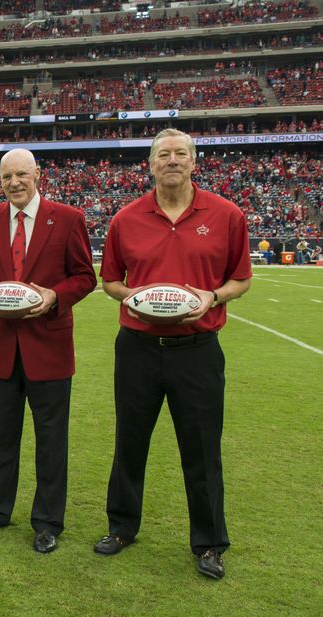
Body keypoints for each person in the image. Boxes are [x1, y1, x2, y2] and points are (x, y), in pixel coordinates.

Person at [96, 129, 252, 580]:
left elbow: (241, 279)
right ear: (150, 164)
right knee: (130, 441)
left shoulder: (226, 214)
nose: (172, 160)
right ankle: (122, 527)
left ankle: (209, 543)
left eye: (180, 153)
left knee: (202, 450)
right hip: (138, 348)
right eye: (163, 154)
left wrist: (213, 296)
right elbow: (110, 282)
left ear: (193, 161)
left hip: (198, 350)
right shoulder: (126, 218)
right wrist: (136, 295)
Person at [0, 149, 96, 554]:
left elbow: (85, 276)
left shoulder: (69, 218)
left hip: (49, 347)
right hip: (2, 346)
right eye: (7, 177)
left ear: (38, 175)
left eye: (22, 174)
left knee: (50, 441)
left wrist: (55, 295)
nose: (15, 182)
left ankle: (47, 521)